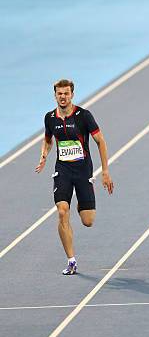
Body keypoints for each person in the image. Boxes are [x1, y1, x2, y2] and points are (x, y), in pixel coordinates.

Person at [35, 79, 114, 275]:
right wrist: (44, 155)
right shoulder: (50, 118)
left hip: (83, 170)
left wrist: (105, 171)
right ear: (55, 95)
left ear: (72, 95)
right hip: (62, 170)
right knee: (62, 211)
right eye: (59, 94)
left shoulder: (83, 116)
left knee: (88, 221)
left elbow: (100, 141)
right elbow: (47, 140)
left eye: (66, 93)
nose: (63, 97)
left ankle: (81, 203)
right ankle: (71, 260)